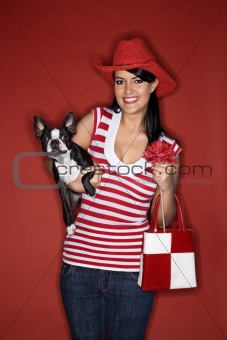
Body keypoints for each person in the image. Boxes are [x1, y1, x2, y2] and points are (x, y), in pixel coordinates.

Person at [57, 38, 181, 340]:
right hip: (79, 267)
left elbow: (165, 219)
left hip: (132, 273)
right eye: (120, 81)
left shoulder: (167, 147)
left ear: (153, 85)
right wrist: (74, 181)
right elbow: (59, 160)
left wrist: (166, 187)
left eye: (137, 81)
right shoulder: (98, 120)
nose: (127, 91)